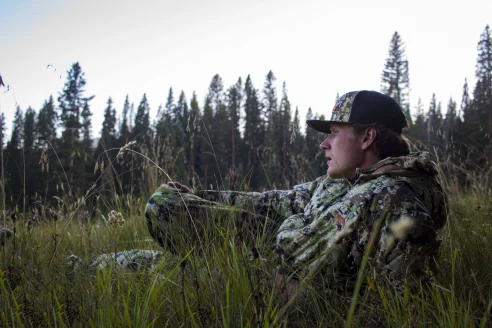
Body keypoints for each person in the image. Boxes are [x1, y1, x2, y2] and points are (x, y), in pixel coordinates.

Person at [144, 90, 447, 293]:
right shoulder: (341, 183)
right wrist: (200, 197)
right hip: (255, 271)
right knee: (164, 209)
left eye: (334, 134)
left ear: (367, 137)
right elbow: (277, 202)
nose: (323, 144)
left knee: (138, 269)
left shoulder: (392, 198)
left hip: (262, 289)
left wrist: (291, 229)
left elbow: (408, 299)